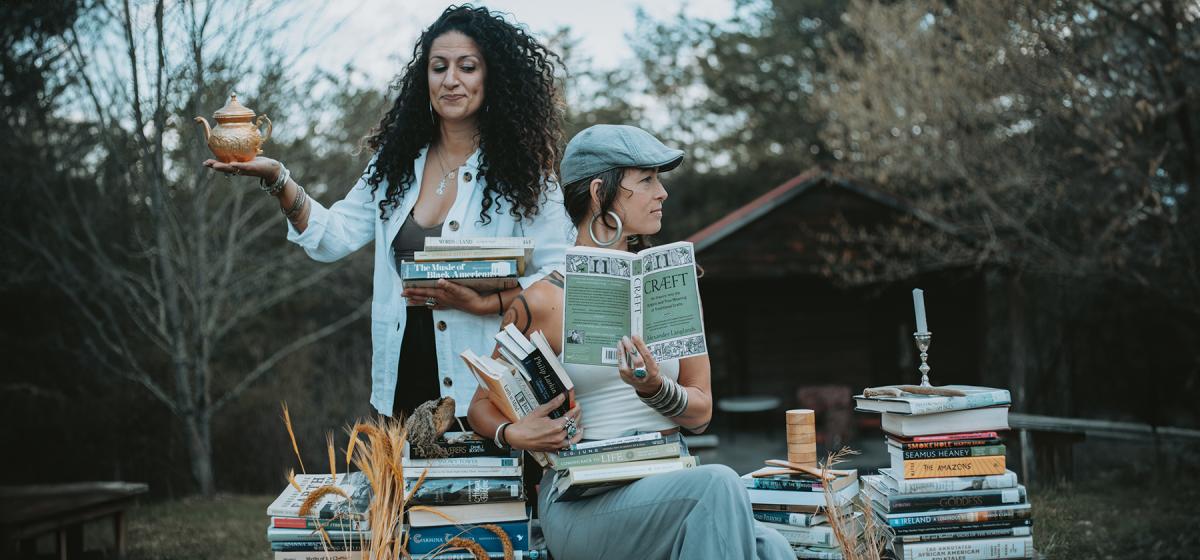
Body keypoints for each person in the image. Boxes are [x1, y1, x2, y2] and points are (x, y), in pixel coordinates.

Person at [203, 5, 572, 419]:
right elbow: (331, 237)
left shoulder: (525, 176)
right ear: (424, 78)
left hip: (486, 395)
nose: (450, 80)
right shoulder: (394, 166)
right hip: (400, 388)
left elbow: (560, 276)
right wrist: (277, 178)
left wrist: (484, 304)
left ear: (492, 77)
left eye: (467, 67)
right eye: (438, 67)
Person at [466, 125, 794, 559]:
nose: (662, 193)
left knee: (773, 547)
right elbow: (480, 405)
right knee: (718, 484)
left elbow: (701, 415)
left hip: (670, 482)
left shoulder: (672, 289)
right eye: (647, 180)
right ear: (600, 192)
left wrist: (654, 388)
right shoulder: (543, 301)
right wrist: (514, 432)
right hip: (585, 502)